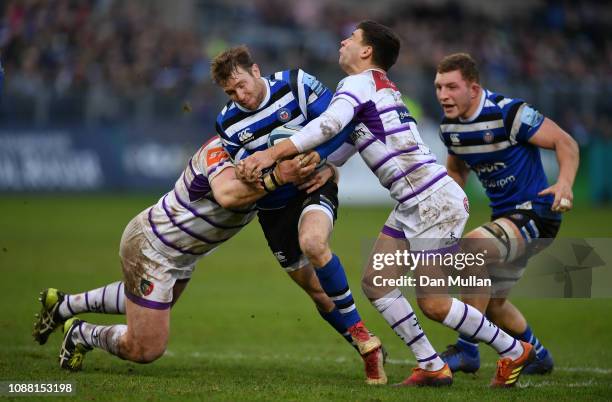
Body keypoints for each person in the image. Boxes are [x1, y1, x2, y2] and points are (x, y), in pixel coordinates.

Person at [242, 20, 536, 388]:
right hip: (415, 201)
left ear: (366, 51)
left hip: (432, 200)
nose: (343, 41)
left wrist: (274, 151)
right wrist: (329, 167)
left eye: (351, 38)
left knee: (434, 303)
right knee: (377, 284)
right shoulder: (377, 87)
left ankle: (514, 350)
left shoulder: (358, 83)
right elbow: (354, 133)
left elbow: (330, 126)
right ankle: (430, 365)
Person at [32, 136, 340, 371]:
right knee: (146, 348)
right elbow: (227, 195)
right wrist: (278, 178)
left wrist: (328, 171)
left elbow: (324, 163)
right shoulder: (219, 150)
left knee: (150, 306)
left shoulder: (267, 151)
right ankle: (83, 334)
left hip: (181, 253)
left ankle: (63, 305)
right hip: (152, 246)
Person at [211, 45, 387, 385]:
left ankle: (366, 342)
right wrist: (251, 175)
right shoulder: (227, 124)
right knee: (318, 293)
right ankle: (361, 341)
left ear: (256, 70)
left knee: (314, 243)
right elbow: (244, 178)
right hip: (273, 208)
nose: (240, 96)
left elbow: (339, 126)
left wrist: (326, 163)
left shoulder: (296, 84)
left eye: (242, 85)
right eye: (231, 92)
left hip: (312, 186)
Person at [433, 53, 579, 375]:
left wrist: (564, 184)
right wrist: (447, 200)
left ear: (473, 88)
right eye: (439, 87)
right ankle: (537, 355)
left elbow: (564, 142)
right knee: (493, 306)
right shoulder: (451, 128)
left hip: (537, 213)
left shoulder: (508, 112)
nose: (443, 95)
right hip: (504, 220)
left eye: (452, 87)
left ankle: (468, 349)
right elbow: (457, 169)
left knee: (470, 252)